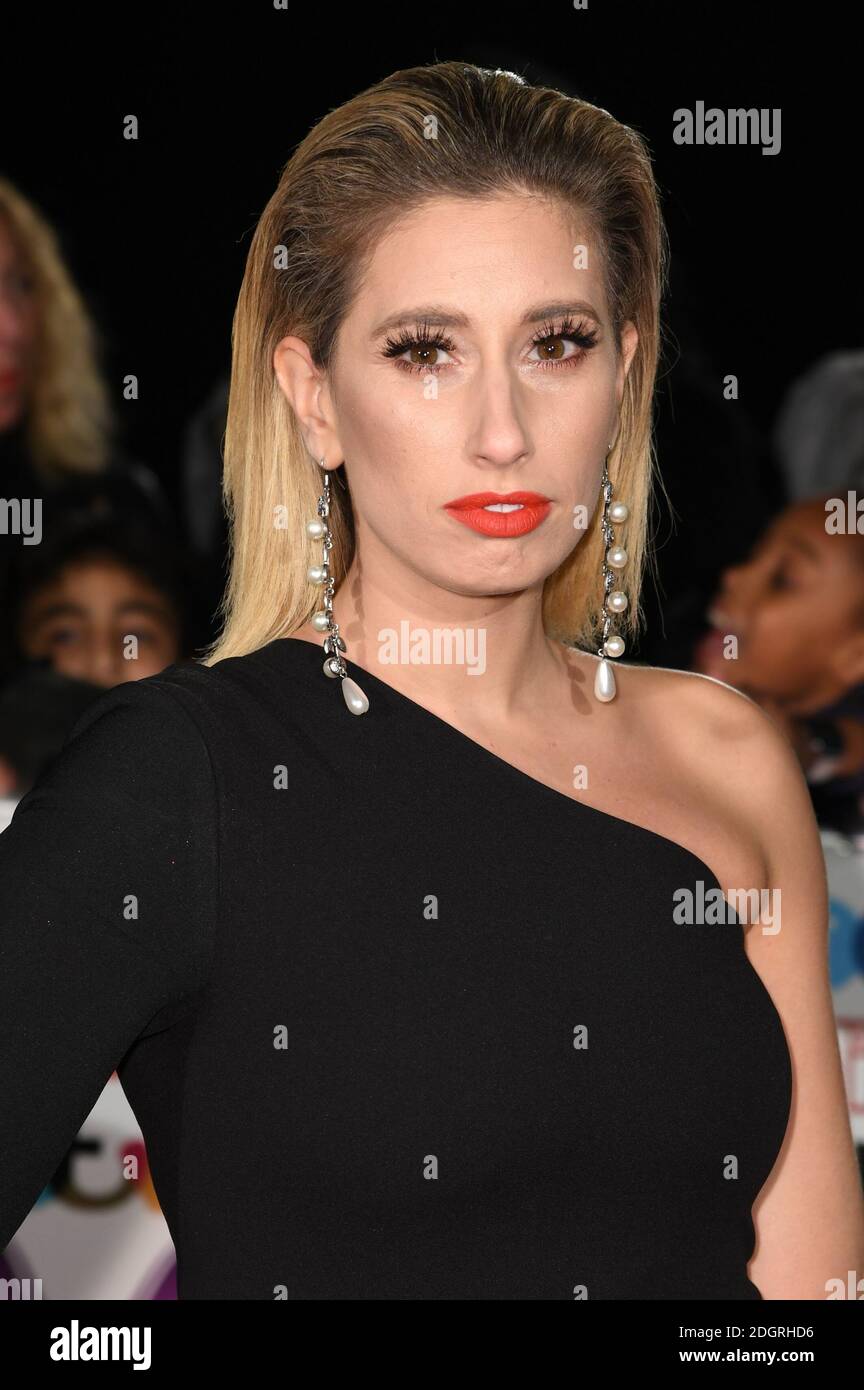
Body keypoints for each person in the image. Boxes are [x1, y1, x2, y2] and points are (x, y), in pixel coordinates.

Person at [1, 60, 862, 1301]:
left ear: (623, 369)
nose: (501, 428)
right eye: (424, 352)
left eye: (555, 344)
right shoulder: (176, 779)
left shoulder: (724, 755)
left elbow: (802, 1294)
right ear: (314, 400)